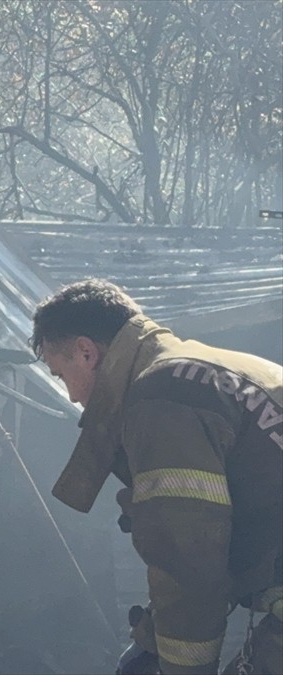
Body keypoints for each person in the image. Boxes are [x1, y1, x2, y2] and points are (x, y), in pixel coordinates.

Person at [31, 279, 282, 675]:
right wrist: (150, 642)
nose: (73, 397)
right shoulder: (213, 367)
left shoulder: (159, 400)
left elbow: (190, 557)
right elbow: (220, 540)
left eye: (60, 376)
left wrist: (180, 669)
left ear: (85, 352)